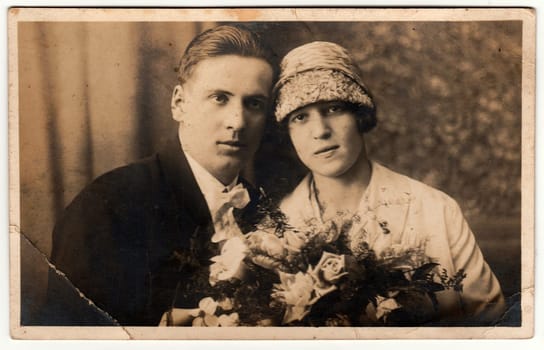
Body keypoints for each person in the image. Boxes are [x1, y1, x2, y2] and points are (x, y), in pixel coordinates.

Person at [46, 25, 277, 326]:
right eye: (220, 98)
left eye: (254, 103)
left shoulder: (265, 209)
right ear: (179, 103)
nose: (238, 121)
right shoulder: (107, 206)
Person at [273, 41, 505, 325]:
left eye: (334, 109)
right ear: (288, 131)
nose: (320, 131)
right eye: (300, 117)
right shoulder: (275, 229)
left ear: (360, 114)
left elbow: (492, 323)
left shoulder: (435, 209)